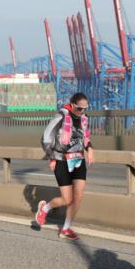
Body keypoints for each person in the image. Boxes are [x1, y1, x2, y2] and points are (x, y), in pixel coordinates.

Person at [36, 92, 95, 240]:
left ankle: (66, 228)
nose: (82, 111)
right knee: (67, 199)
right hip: (61, 160)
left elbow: (85, 137)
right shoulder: (61, 116)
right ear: (72, 104)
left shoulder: (84, 118)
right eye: (79, 108)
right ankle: (45, 208)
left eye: (85, 108)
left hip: (78, 159)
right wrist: (51, 158)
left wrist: (90, 148)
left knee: (79, 196)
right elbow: (45, 137)